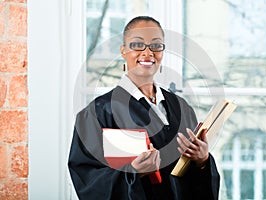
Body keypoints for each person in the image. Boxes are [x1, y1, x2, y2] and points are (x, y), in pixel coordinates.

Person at [68, 16, 220, 200]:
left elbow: (192, 182)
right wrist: (133, 173)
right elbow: (88, 179)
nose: (147, 53)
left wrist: (202, 160)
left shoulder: (181, 108)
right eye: (137, 44)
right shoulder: (97, 113)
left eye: (156, 45)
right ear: (123, 51)